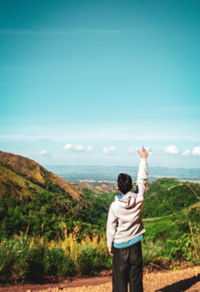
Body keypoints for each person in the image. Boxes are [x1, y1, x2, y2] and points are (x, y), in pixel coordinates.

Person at [106, 146, 148, 292]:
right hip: (136, 245)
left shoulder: (115, 206)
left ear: (118, 188)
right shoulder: (139, 198)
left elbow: (111, 228)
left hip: (120, 247)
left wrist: (109, 246)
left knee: (119, 284)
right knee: (136, 281)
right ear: (131, 186)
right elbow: (142, 181)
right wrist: (143, 159)